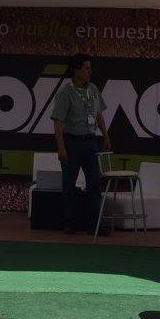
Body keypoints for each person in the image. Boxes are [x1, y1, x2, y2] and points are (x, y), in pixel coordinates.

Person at [50, 53, 112, 234]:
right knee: (69, 184)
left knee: (94, 183)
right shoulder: (65, 93)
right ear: (76, 70)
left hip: (90, 142)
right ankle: (70, 222)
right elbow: (58, 123)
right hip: (72, 142)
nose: (89, 71)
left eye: (90, 68)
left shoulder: (93, 89)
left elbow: (98, 114)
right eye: (86, 68)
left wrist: (106, 136)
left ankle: (94, 224)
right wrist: (61, 148)